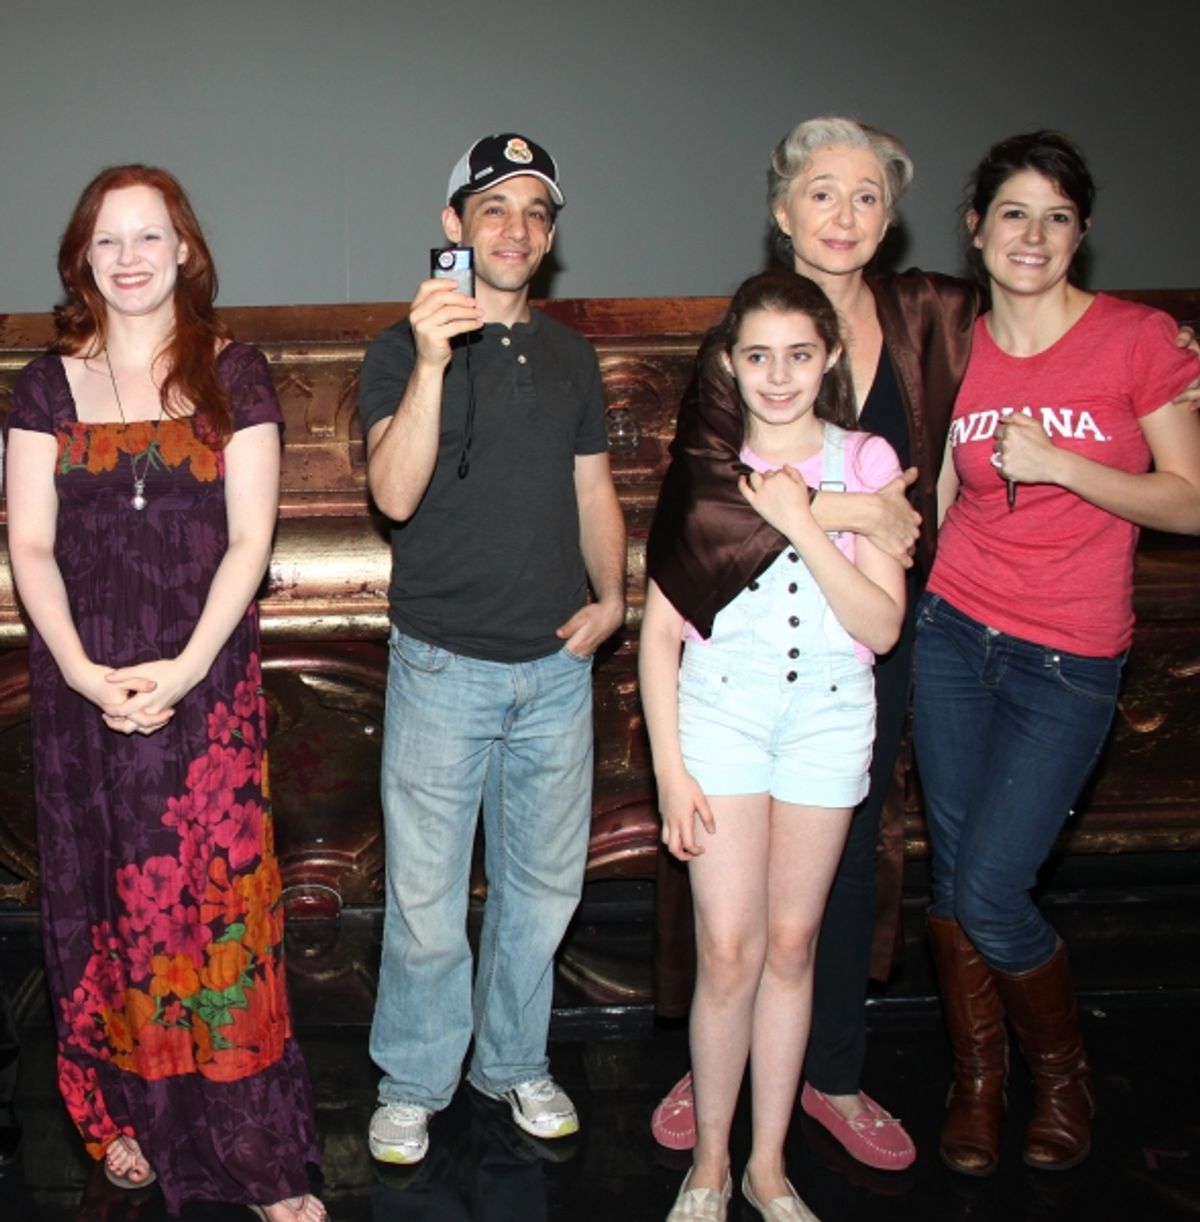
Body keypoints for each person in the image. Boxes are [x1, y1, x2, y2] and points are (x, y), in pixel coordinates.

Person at [650, 116, 980, 1172]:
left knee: (848, 869)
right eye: (823, 193)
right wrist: (856, 506)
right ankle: (717, 1076)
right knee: (732, 916)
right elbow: (716, 499)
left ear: (892, 217)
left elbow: (1042, 310)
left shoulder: (930, 313)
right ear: (783, 211)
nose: (844, 214)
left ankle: (821, 1077)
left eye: (869, 195)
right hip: (737, 655)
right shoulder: (737, 350)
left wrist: (1169, 353)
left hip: (858, 651)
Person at [3, 166, 324, 1220]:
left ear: (185, 249)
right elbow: (31, 545)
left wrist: (184, 671)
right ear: (82, 261)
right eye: (109, 242)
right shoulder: (44, 389)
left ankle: (253, 1144)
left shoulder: (238, 374)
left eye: (151, 237)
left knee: (217, 910)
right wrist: (87, 675)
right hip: (79, 691)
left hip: (208, 687)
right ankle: (121, 1112)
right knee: (102, 902)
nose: (131, 257)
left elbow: (249, 542)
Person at [913, 131, 1200, 1177]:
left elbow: (1190, 497)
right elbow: (937, 494)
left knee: (993, 888)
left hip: (1067, 657)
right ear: (975, 228)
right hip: (952, 638)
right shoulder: (956, 342)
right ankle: (979, 1084)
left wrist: (1061, 463)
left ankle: (1063, 1071)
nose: (1033, 235)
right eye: (1014, 212)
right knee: (952, 884)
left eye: (1058, 215)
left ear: (1081, 231)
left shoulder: (1137, 339)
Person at [357, 133, 626, 1166]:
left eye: (535, 213)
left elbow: (593, 487)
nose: (515, 228)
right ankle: (415, 1080)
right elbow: (393, 493)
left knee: (542, 893)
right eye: (493, 207)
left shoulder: (569, 354)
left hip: (557, 669)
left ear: (550, 236)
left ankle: (511, 1062)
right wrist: (431, 358)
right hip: (441, 667)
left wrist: (614, 600)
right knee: (428, 903)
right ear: (453, 228)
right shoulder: (399, 347)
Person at [642, 269, 906, 1222]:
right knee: (727, 949)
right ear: (730, 363)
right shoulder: (708, 468)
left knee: (792, 948)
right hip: (722, 718)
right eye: (759, 356)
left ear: (829, 356)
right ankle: (709, 1163)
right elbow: (660, 634)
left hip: (830, 717)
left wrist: (806, 519)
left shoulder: (867, 462)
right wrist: (671, 771)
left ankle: (767, 1164)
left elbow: (879, 627)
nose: (780, 375)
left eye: (800, 354)